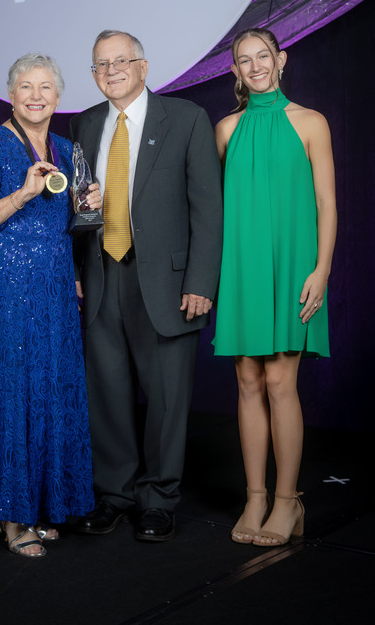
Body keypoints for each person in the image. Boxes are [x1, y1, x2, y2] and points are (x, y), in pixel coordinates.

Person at [0, 53, 101, 558]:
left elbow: (75, 228)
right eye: (25, 86)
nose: (36, 95)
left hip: (52, 286)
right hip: (2, 287)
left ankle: (38, 505)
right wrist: (24, 193)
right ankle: (11, 519)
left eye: (45, 87)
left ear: (58, 96)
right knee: (11, 391)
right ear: (10, 94)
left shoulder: (68, 149)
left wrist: (90, 207)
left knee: (48, 389)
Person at [68, 30, 223, 542]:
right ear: (93, 75)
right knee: (107, 395)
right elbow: (79, 209)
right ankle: (114, 495)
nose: (110, 71)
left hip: (169, 282)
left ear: (143, 66)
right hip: (101, 275)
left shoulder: (186, 119)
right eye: (100, 65)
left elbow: (208, 209)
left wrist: (202, 280)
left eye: (120, 61)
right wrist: (74, 269)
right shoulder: (86, 124)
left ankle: (158, 500)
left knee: (166, 398)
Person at [213, 27, 337, 547]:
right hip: (244, 267)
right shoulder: (226, 129)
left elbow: (327, 203)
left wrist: (321, 270)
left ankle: (289, 501)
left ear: (281, 60)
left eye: (263, 56)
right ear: (236, 71)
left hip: (292, 267)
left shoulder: (310, 122)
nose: (256, 65)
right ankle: (256, 496)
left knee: (282, 384)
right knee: (247, 384)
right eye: (245, 60)